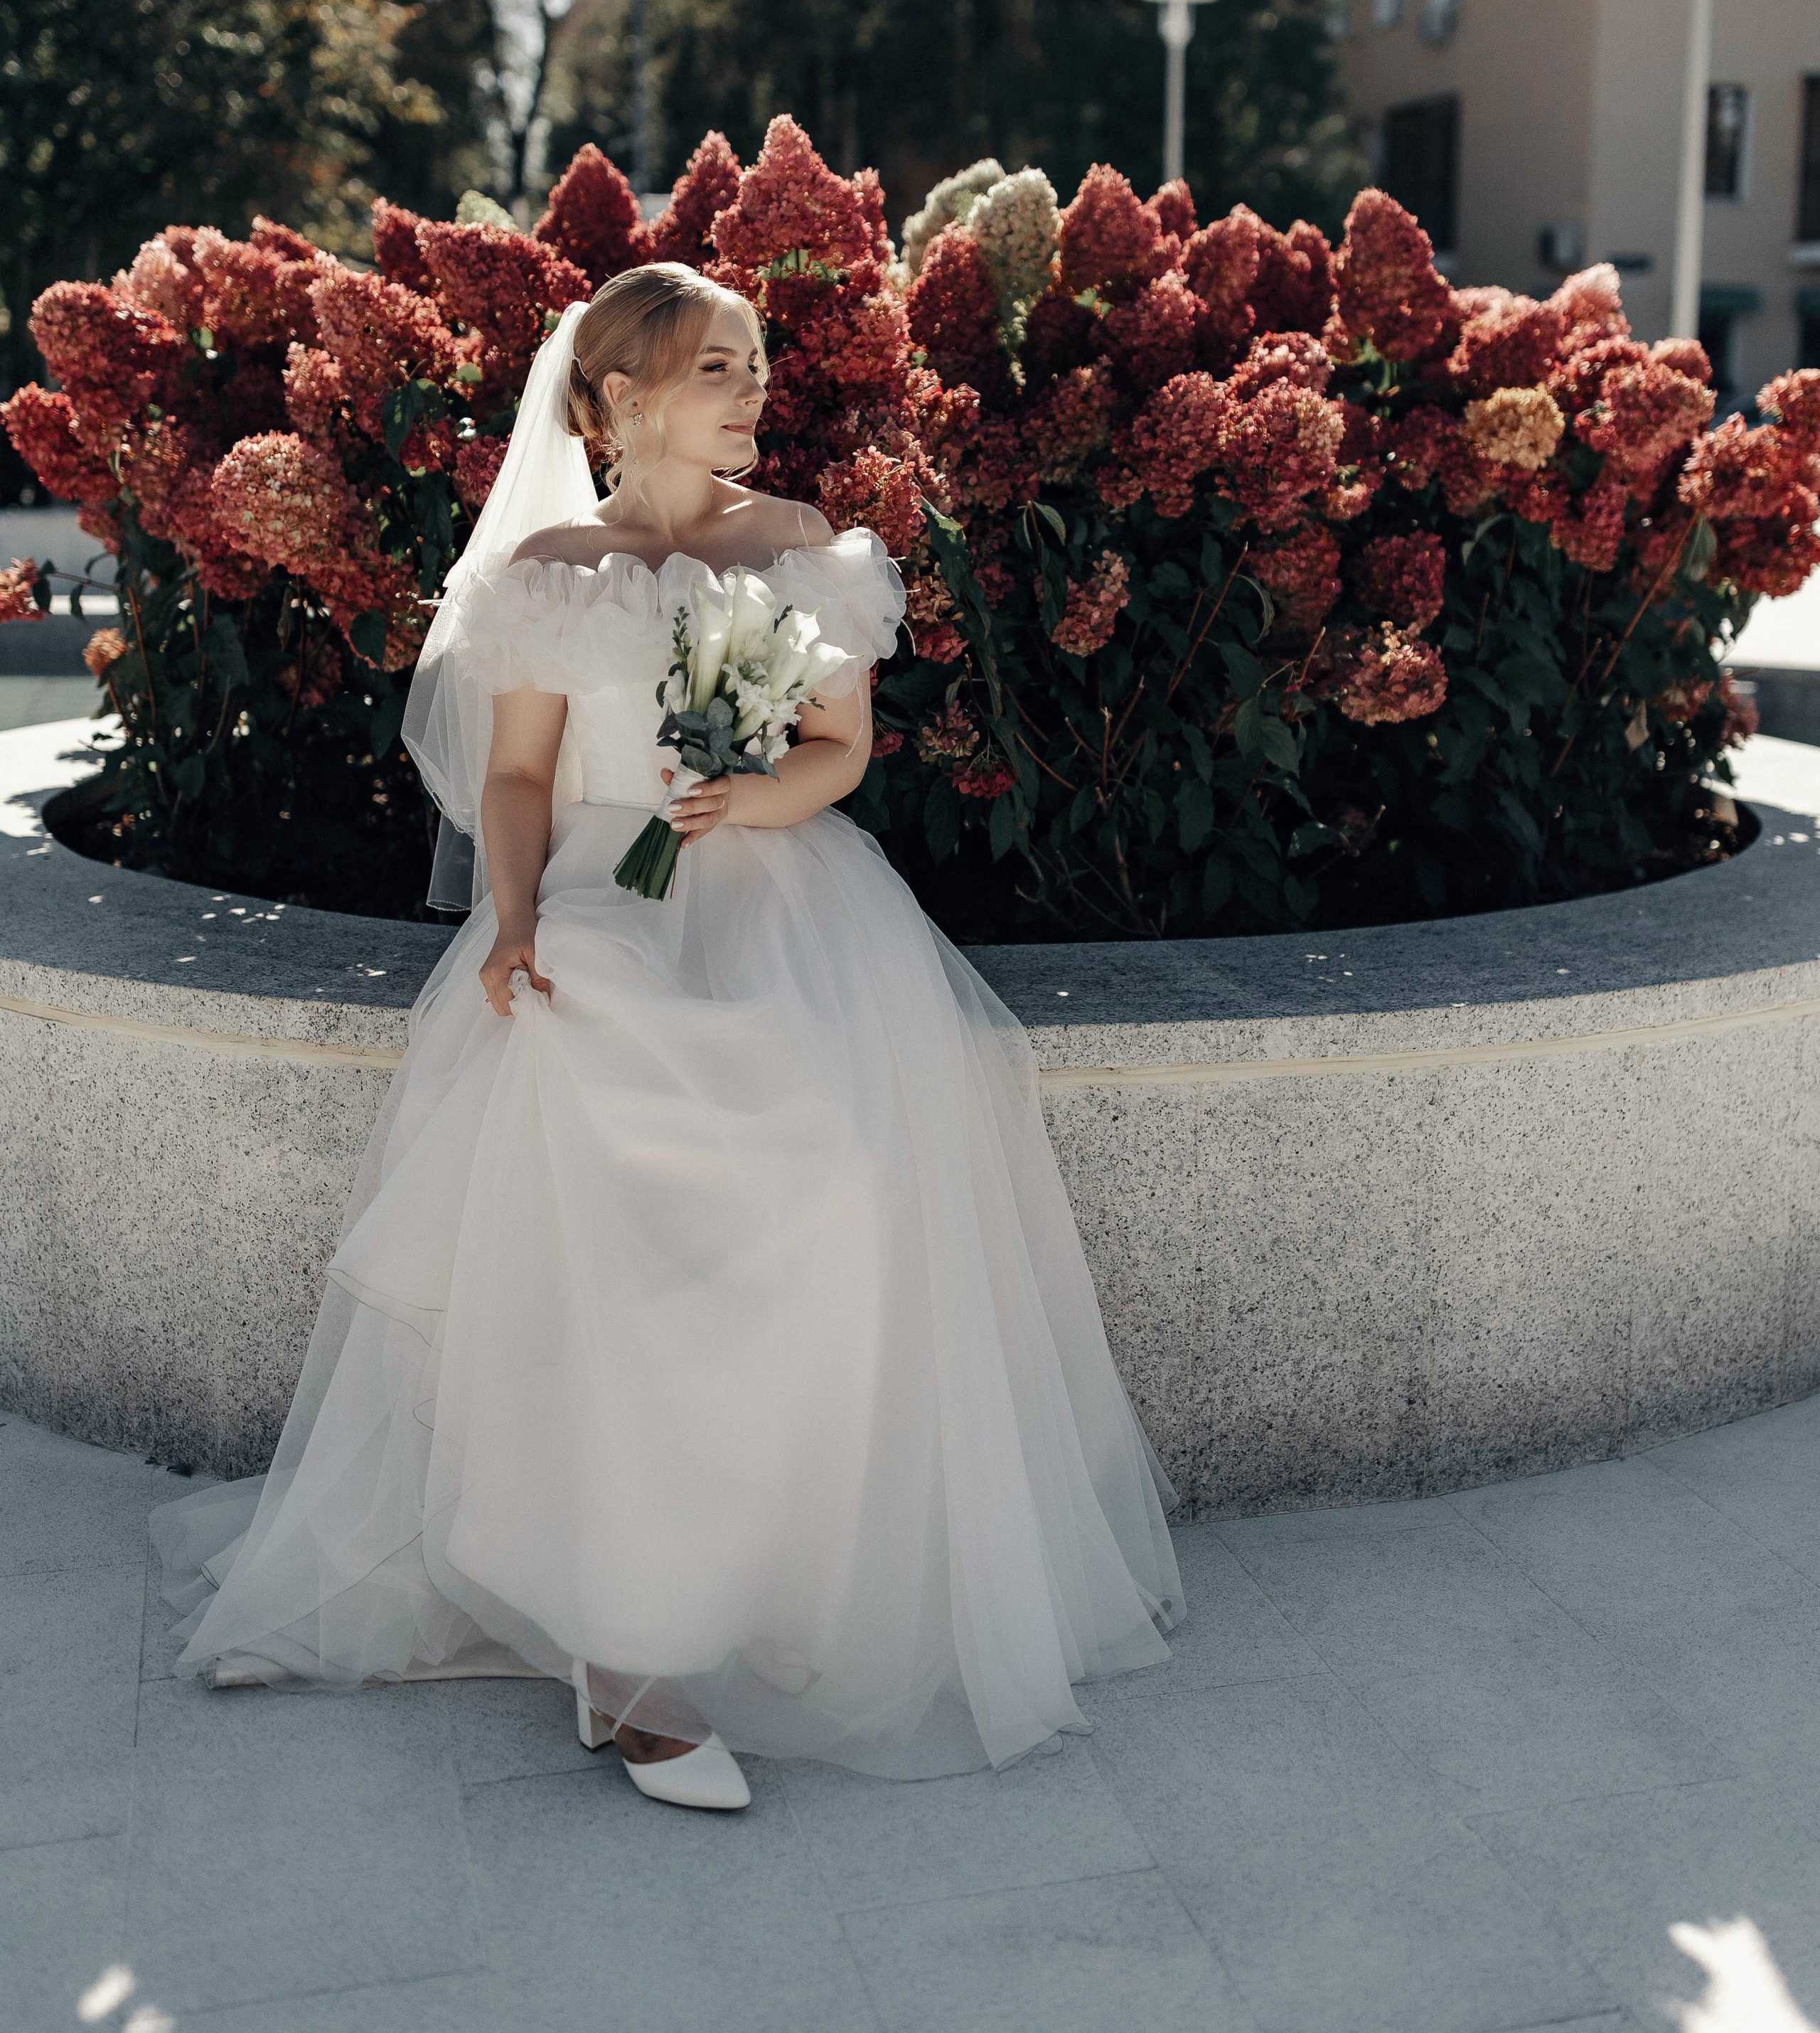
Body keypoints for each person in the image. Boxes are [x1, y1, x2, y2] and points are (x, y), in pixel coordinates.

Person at [151, 261, 1184, 1810]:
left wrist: (747, 794)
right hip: (599, 900)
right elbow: (514, 780)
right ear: (622, 396)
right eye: (717, 365)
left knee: (831, 1171)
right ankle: (622, 1651)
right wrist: (510, 924)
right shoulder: (549, 571)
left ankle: (759, 1583)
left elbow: (835, 750)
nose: (751, 388)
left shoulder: (805, 554)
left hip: (783, 900)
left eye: (754, 364)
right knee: (609, 1181)